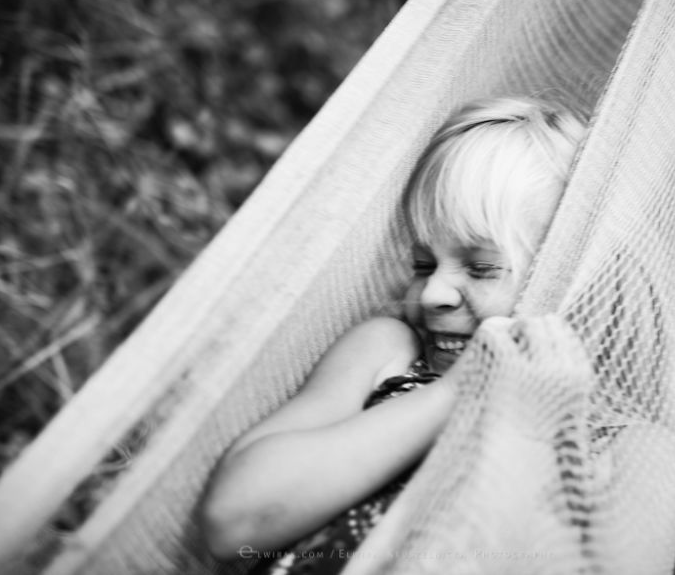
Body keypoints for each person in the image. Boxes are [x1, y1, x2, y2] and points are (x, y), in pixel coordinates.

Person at [200, 96, 587, 573]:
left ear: (569, 277)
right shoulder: (390, 352)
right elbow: (232, 521)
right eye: (423, 265)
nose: (432, 294)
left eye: (482, 268)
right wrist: (460, 388)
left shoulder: (606, 438)